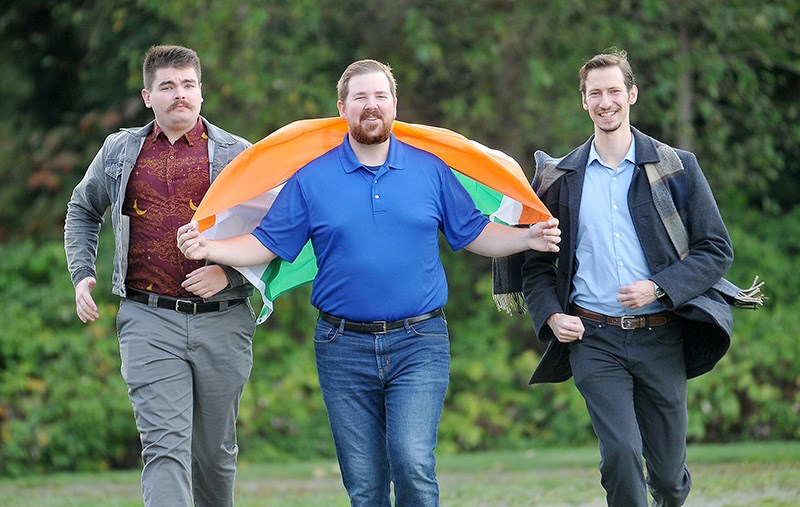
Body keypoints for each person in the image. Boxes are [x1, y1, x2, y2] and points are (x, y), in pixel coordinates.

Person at [177, 59, 561, 506]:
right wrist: (212, 249)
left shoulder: (429, 169)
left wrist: (525, 237)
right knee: (364, 484)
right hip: (342, 346)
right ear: (342, 108)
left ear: (395, 105)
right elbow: (266, 243)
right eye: (360, 97)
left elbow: (473, 233)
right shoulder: (312, 177)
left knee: (413, 462)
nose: (371, 105)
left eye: (380, 96)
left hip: (421, 341)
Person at [519, 50, 735, 506]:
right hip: (593, 338)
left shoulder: (676, 167)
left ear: (631, 94)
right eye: (595, 93)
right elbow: (536, 267)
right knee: (620, 454)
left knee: (669, 477)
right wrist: (552, 317)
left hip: (661, 335)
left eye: (614, 90)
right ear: (583, 101)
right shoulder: (560, 179)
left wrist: (660, 287)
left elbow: (716, 250)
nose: (605, 101)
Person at [64, 45, 255, 507]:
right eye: (167, 86)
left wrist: (229, 275)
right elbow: (82, 209)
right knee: (164, 448)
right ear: (148, 96)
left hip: (223, 320)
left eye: (189, 85)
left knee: (214, 455)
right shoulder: (120, 150)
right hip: (147, 319)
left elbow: (278, 236)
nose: (180, 95)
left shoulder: (239, 155)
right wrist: (82, 273)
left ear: (201, 92)